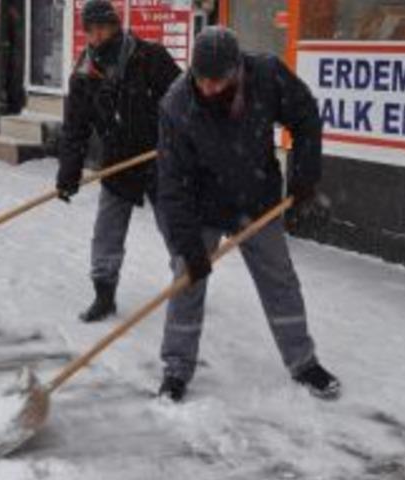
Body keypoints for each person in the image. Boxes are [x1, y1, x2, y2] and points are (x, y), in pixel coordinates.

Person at [156, 27, 341, 402]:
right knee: (186, 281)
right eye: (201, 79)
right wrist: (188, 245)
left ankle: (303, 362)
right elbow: (172, 184)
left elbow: (305, 117)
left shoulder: (267, 75)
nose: (207, 89)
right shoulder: (176, 105)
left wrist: (304, 176)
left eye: (217, 80)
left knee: (279, 281)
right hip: (201, 206)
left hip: (256, 201)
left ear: (236, 69)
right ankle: (176, 369)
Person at [56, 0, 182, 323]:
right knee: (107, 232)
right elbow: (75, 129)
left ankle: (188, 285)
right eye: (91, 30)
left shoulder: (148, 57)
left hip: (159, 156)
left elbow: (183, 103)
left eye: (103, 28)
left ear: (115, 26)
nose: (97, 36)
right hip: (118, 160)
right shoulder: (84, 75)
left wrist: (178, 144)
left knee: (175, 226)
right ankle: (104, 294)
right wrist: (68, 174)